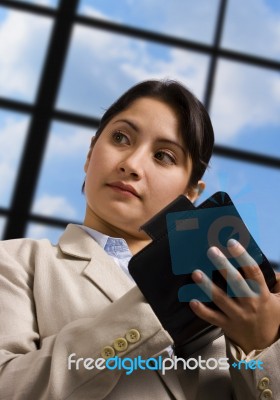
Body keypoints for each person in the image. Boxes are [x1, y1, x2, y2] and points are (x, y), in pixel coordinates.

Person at [0, 79, 279, 400]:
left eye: (163, 156)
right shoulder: (16, 261)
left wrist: (262, 343)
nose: (131, 165)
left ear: (191, 193)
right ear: (91, 153)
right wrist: (157, 303)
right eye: (121, 138)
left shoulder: (228, 304)